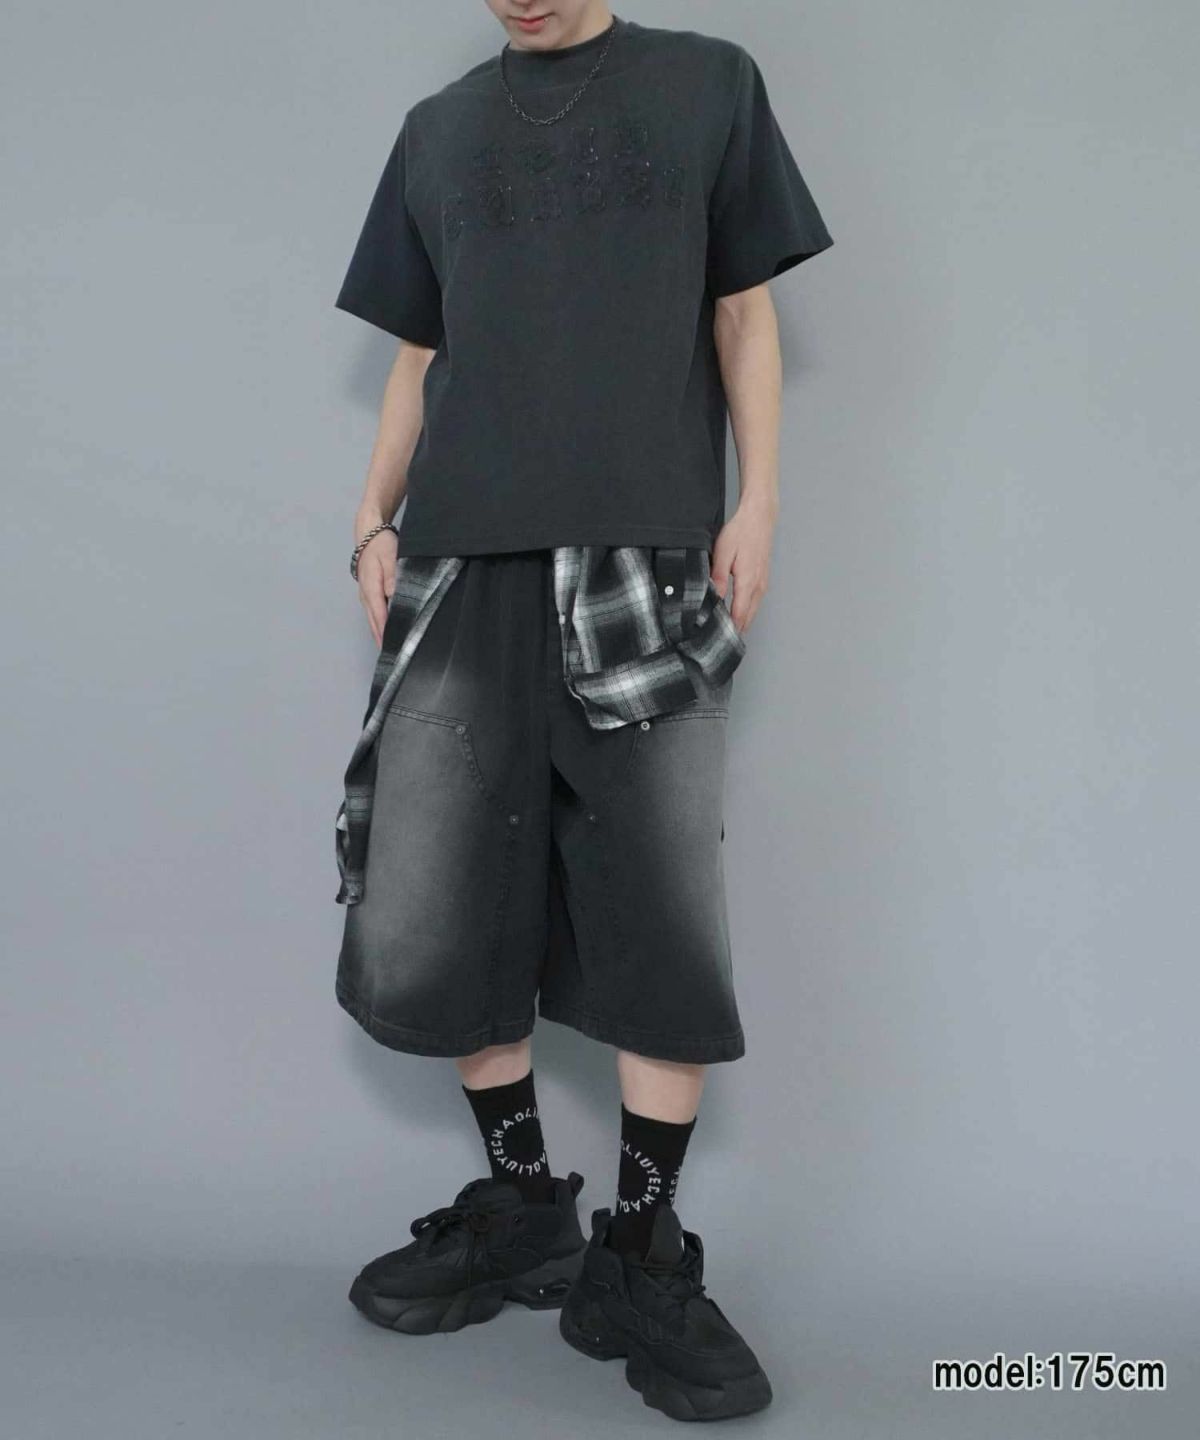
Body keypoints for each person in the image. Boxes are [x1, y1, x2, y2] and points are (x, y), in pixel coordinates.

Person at [330, 1, 834, 1422]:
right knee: (444, 902)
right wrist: (371, 516)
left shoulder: (709, 86)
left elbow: (743, 309)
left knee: (657, 913)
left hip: (642, 557)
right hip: (458, 559)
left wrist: (760, 500)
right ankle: (523, 1213)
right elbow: (420, 353)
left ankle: (642, 1256)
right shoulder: (437, 131)